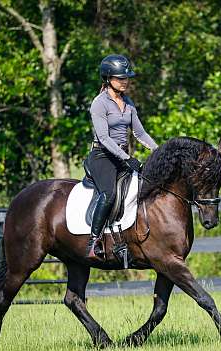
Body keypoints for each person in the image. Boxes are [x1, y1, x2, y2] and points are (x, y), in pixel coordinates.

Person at [85, 54, 158, 260]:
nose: (125, 81)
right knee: (109, 193)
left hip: (122, 155)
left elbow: (140, 133)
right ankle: (94, 241)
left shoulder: (128, 103)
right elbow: (104, 138)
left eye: (126, 78)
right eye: (120, 78)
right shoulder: (99, 104)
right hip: (102, 155)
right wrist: (126, 159)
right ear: (108, 78)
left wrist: (159, 150)